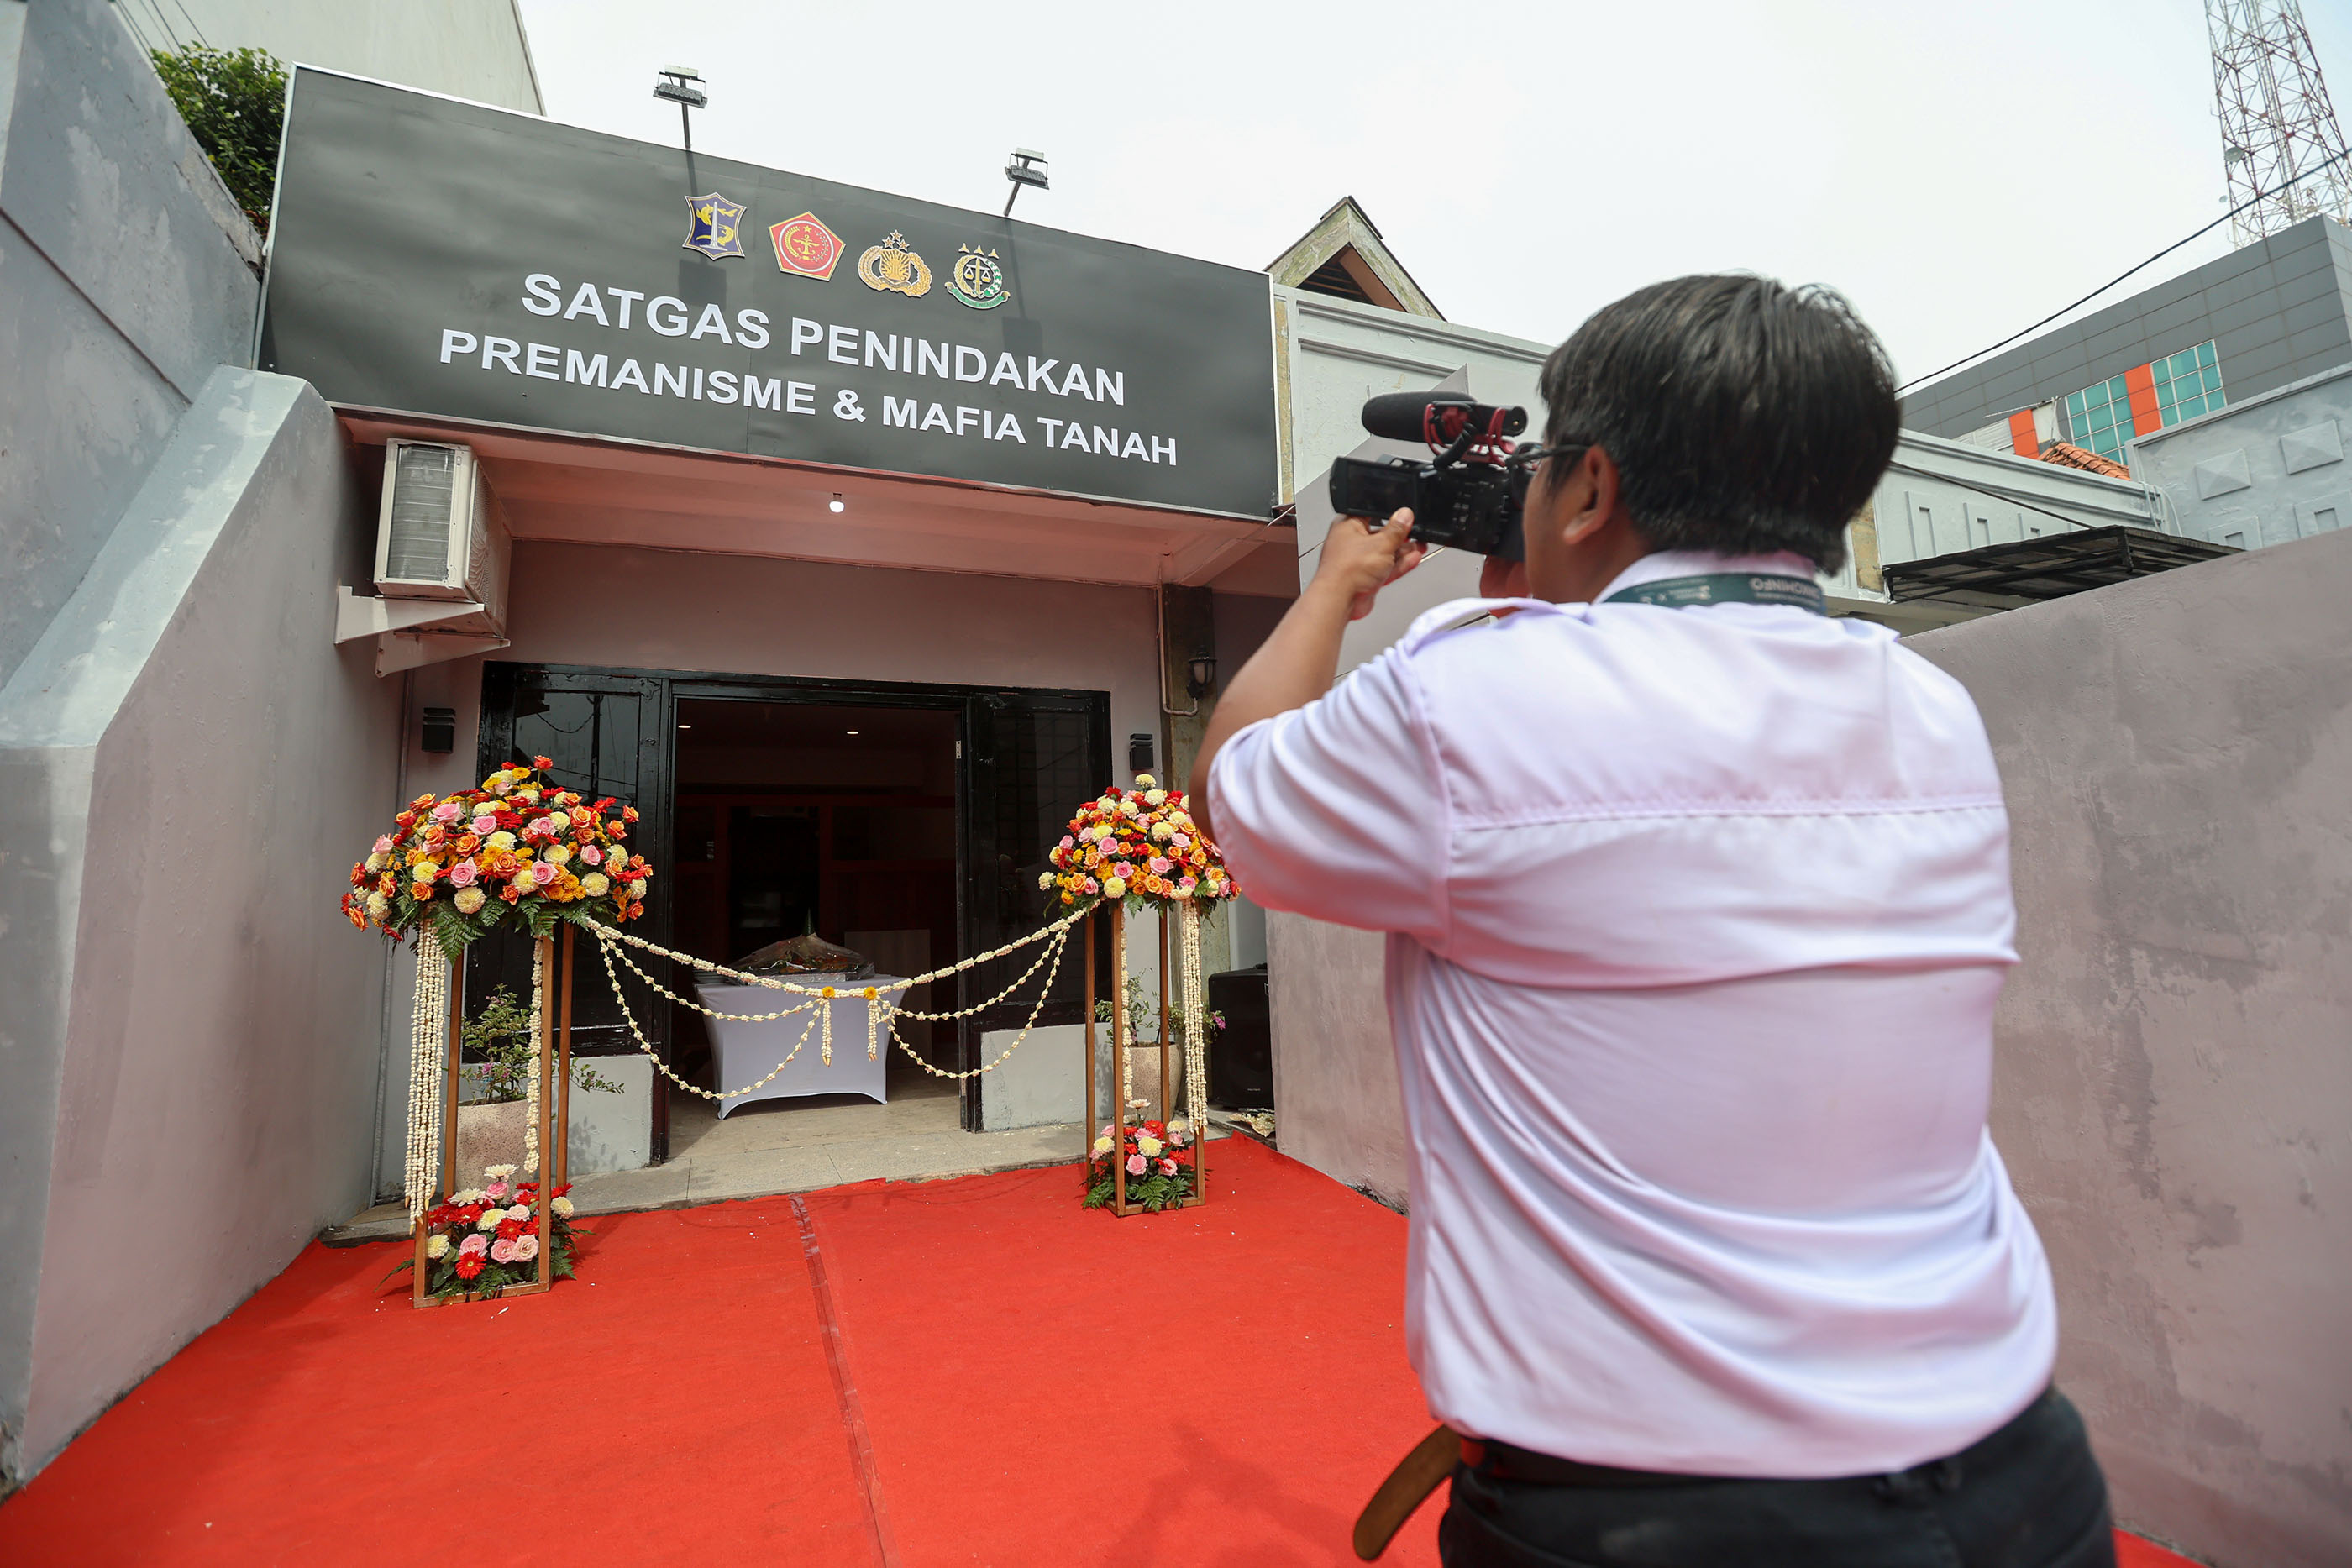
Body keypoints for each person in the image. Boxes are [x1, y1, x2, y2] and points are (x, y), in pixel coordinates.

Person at [1189, 275, 2114, 1567]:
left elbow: (1229, 798)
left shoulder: (1468, 695)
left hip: (1656, 1516)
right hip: (2018, 1480)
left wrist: (1336, 592)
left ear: (1589, 487)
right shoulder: (1929, 709)